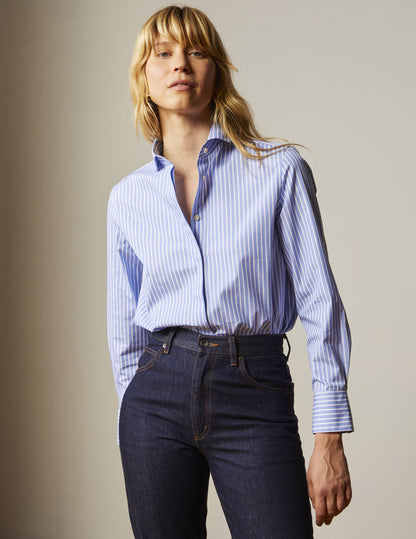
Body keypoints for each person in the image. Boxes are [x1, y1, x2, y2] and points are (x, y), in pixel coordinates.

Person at [107, 5, 353, 538]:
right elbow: (124, 327)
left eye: (196, 51)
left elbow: (320, 303)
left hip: (253, 387)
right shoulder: (127, 199)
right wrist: (132, 414)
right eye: (163, 54)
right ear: (144, 79)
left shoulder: (278, 170)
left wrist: (329, 435)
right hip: (155, 397)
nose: (180, 64)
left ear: (215, 70)